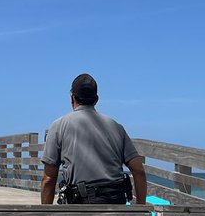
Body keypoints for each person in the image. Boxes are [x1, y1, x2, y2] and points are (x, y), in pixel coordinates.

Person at [41, 73, 146, 205]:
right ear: (96, 99)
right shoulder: (117, 127)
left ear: (72, 96)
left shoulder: (58, 126)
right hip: (116, 205)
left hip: (80, 207)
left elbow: (48, 180)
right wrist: (140, 207)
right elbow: (139, 171)